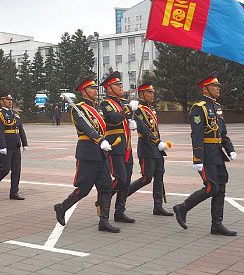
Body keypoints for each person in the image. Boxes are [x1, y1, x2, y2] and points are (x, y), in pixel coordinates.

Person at [173, 72, 238, 236]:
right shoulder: (198, 108)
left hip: (217, 154)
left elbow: (222, 132)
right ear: (206, 88)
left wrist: (229, 148)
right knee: (211, 187)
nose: (218, 88)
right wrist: (197, 158)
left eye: (218, 86)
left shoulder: (217, 107)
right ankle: (183, 207)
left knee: (221, 186)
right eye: (215, 86)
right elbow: (197, 135)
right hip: (206, 155)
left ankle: (217, 224)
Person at [54, 76, 119, 233]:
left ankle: (104, 221)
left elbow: (105, 126)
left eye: (96, 88)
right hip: (88, 152)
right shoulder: (78, 109)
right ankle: (62, 207)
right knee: (84, 188)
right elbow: (85, 128)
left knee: (106, 187)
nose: (95, 91)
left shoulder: (97, 109)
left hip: (101, 153)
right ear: (84, 91)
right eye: (92, 88)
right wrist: (99, 139)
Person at [126, 83, 174, 216]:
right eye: (149, 92)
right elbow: (143, 128)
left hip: (156, 147)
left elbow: (155, 130)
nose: (152, 95)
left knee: (159, 176)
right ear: (141, 94)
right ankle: (123, 195)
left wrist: (159, 143)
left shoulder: (151, 108)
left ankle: (158, 206)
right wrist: (157, 142)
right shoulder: (138, 109)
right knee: (147, 177)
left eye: (153, 92)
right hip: (147, 147)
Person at [100, 71, 139, 223]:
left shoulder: (122, 103)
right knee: (121, 179)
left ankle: (119, 211)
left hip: (127, 146)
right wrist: (128, 110)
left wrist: (133, 124)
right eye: (117, 85)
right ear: (109, 88)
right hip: (115, 146)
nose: (121, 86)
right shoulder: (106, 104)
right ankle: (103, 200)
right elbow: (114, 118)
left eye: (121, 84)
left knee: (127, 180)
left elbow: (125, 119)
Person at [0, 91, 28, 200]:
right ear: (1, 101)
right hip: (6, 146)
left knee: (16, 169)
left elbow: (20, 129)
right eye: (8, 100)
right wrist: (2, 146)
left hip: (16, 145)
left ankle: (14, 192)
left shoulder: (15, 113)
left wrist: (24, 143)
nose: (10, 102)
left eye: (11, 100)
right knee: (5, 169)